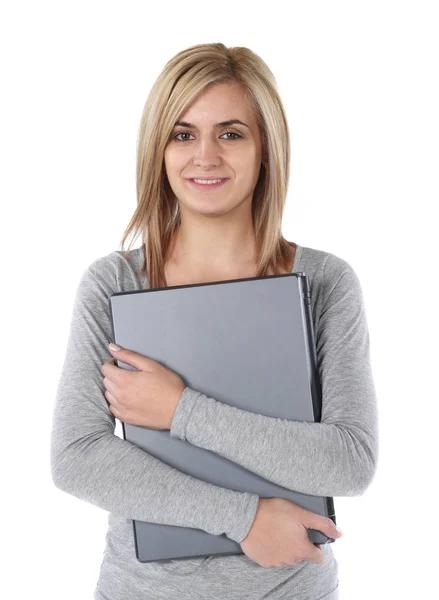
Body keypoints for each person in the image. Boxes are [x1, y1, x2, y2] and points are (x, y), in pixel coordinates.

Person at [50, 42, 379, 600]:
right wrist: (244, 517)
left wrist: (181, 410)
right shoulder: (114, 284)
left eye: (231, 133)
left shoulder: (325, 283)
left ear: (265, 149)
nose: (205, 156)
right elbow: (76, 457)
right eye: (183, 134)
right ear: (159, 148)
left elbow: (349, 463)